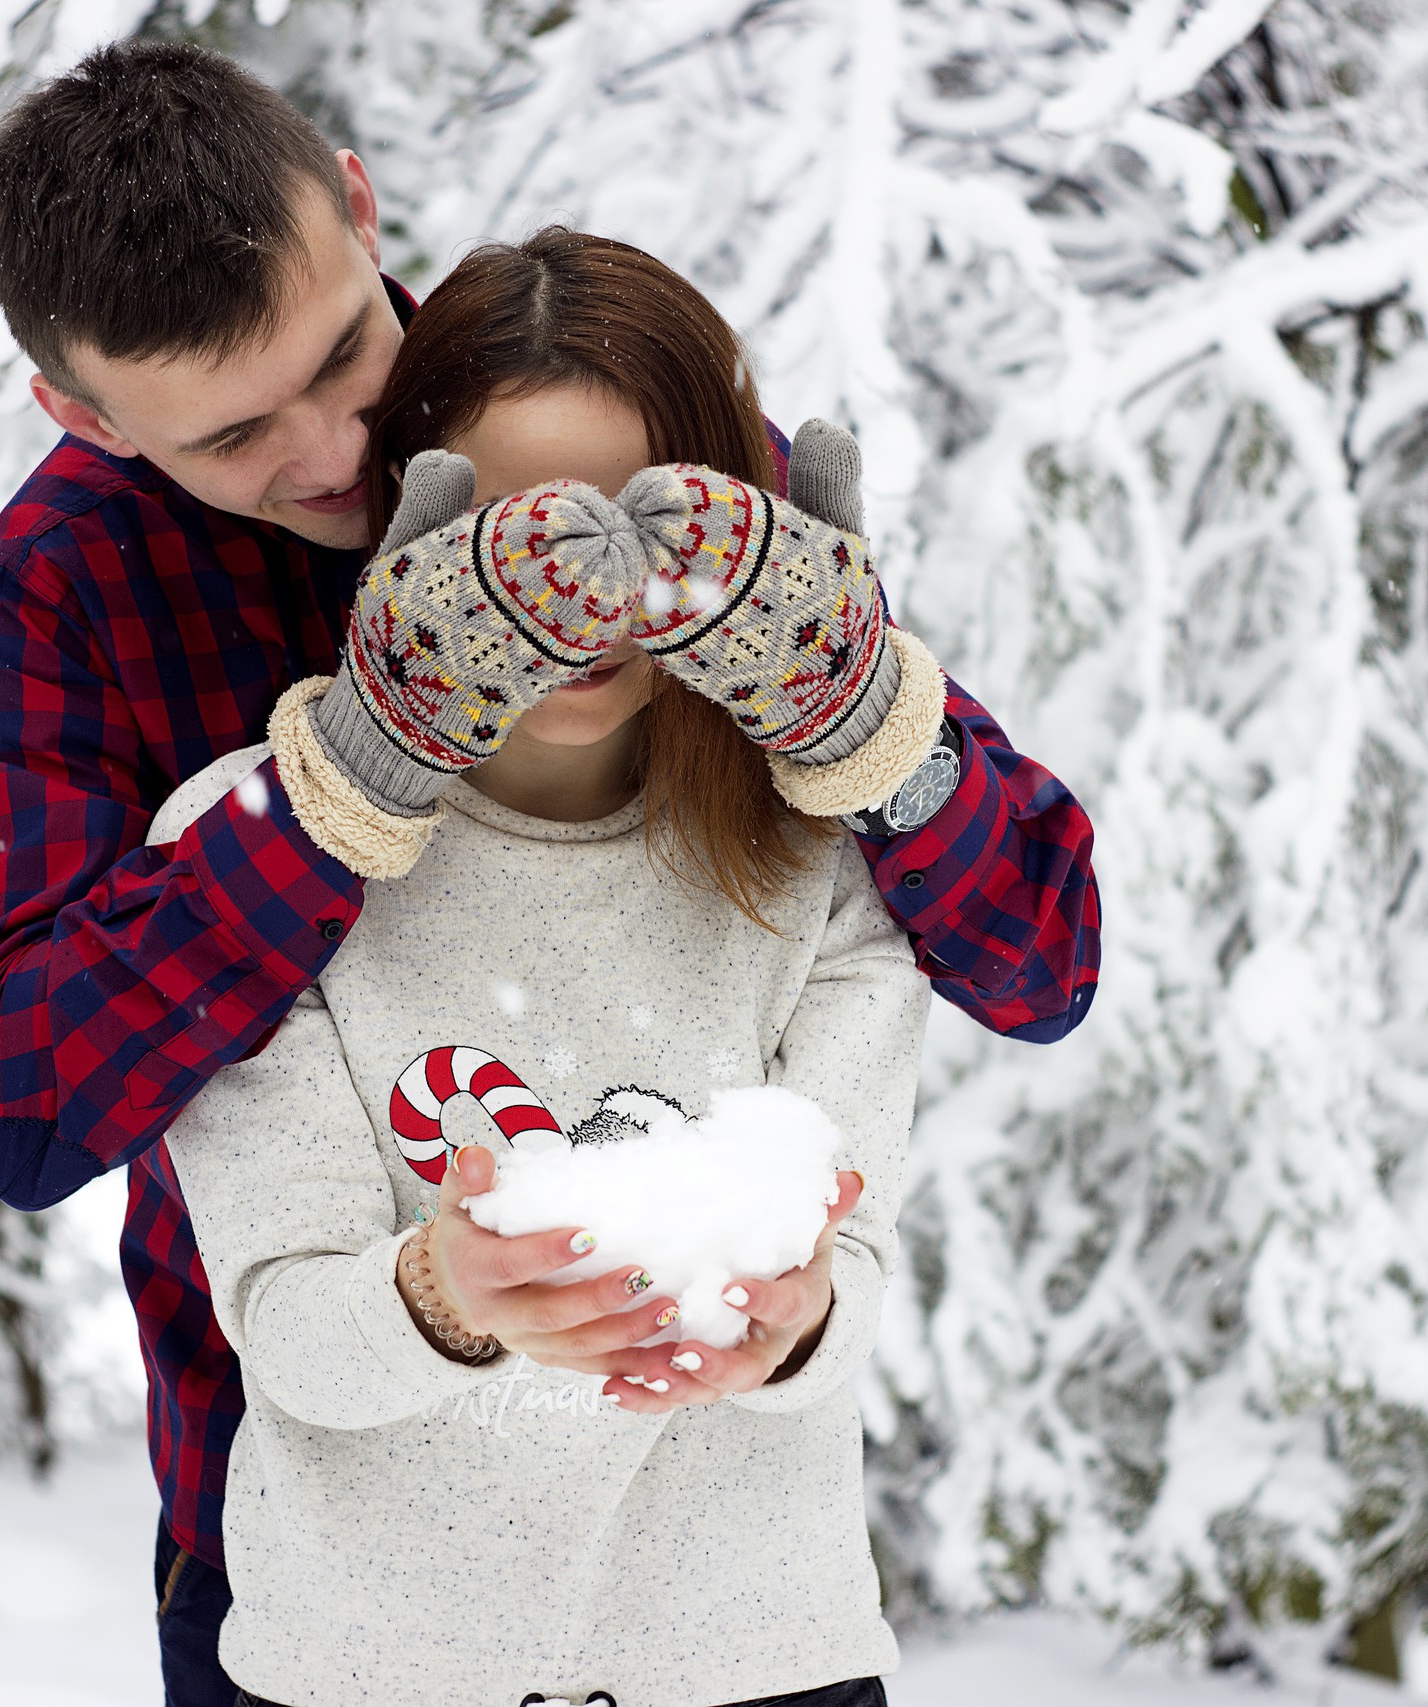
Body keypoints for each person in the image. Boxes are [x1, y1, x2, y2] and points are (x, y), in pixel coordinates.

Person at [0, 37, 1101, 1707]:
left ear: (356, 199)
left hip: (711, 1567)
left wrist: (867, 720)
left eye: (344, 355)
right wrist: (342, 793)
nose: (337, 451)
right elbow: (16, 1104)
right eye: (235, 435)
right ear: (83, 416)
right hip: (308, 1539)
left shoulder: (581, 419)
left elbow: (1038, 957)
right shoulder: (76, 581)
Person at [156, 226, 928, 1707]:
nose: (577, 597)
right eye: (519, 534)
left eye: (643, 533)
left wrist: (795, 1322)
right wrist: (444, 1292)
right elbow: (290, 1331)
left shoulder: (822, 855)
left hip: (758, 1664)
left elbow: (857, 1282)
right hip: (361, 1672)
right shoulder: (253, 849)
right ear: (409, 530)